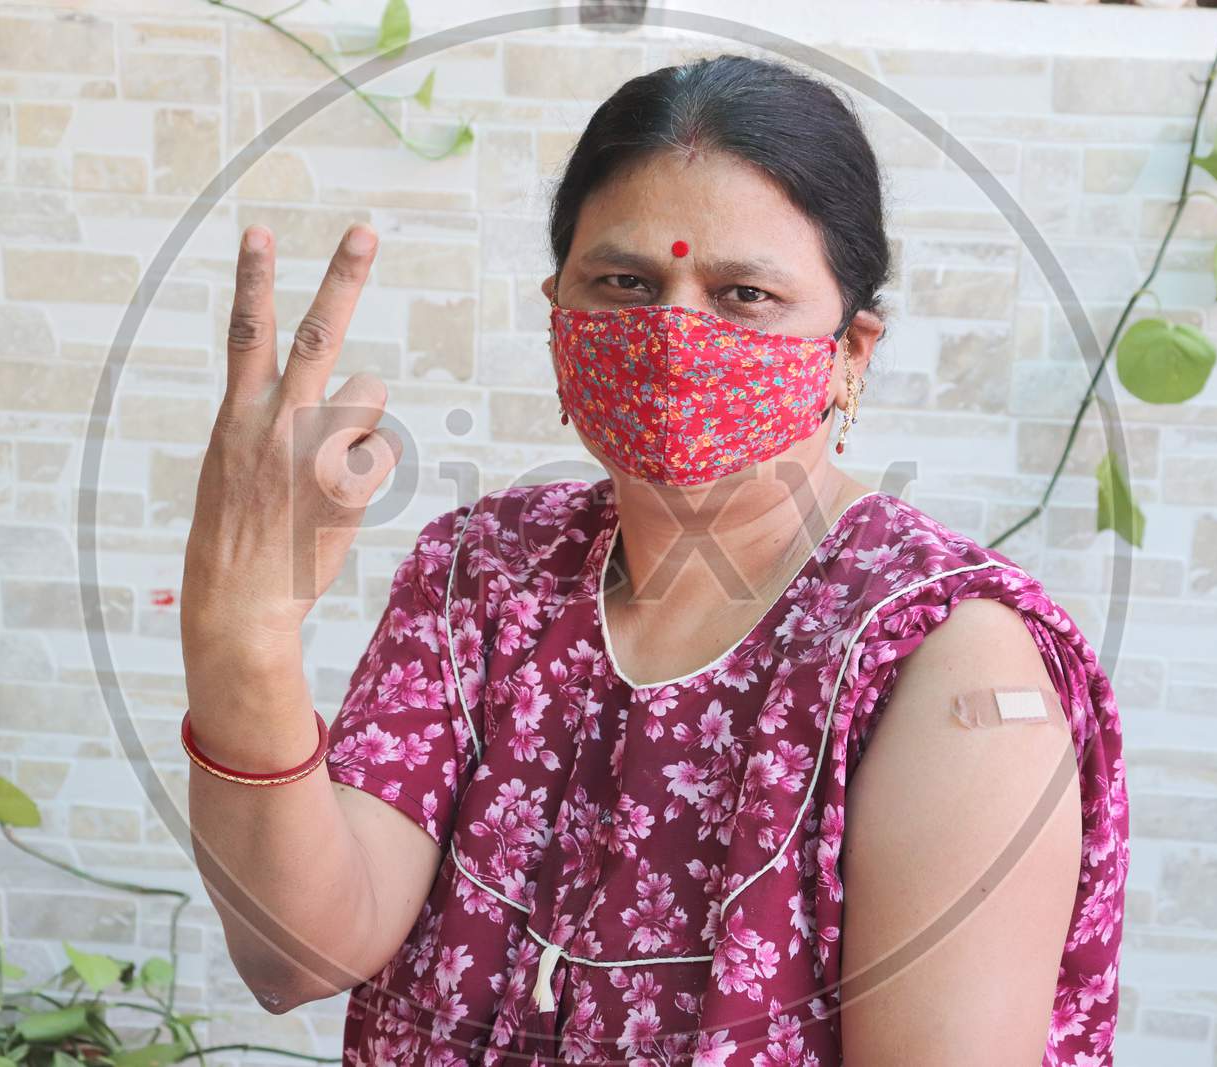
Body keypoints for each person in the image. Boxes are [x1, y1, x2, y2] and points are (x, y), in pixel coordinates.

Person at [181, 53, 1128, 1067]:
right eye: (625, 282)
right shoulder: (487, 571)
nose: (674, 335)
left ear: (849, 352)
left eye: (744, 294)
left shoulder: (944, 661)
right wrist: (243, 631)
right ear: (558, 317)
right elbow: (296, 955)